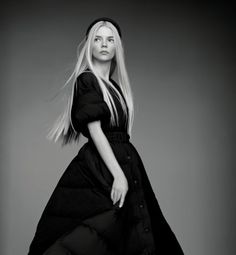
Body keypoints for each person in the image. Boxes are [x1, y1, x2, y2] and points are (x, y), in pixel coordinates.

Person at [27, 17, 185, 255]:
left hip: (127, 164)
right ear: (89, 45)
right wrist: (118, 176)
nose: (103, 44)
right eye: (97, 39)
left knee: (135, 235)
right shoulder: (86, 79)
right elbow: (96, 131)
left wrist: (126, 172)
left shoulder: (116, 88)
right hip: (103, 170)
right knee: (94, 234)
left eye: (110, 39)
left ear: (117, 47)